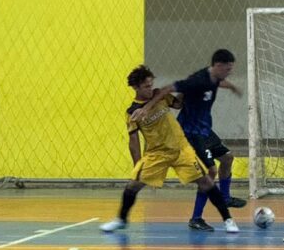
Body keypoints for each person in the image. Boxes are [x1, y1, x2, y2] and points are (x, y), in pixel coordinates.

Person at [100, 65, 239, 233]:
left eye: (151, 85)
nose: (150, 89)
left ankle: (228, 219)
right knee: (132, 186)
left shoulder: (160, 96)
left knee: (206, 181)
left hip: (181, 149)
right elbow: (134, 141)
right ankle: (121, 219)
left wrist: (188, 87)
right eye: (146, 86)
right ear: (135, 87)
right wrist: (138, 165)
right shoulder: (132, 112)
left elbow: (179, 104)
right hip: (157, 154)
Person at [132, 49, 246, 232]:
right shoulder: (196, 81)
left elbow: (218, 83)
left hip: (204, 129)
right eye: (228, 69)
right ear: (218, 66)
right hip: (190, 132)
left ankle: (224, 198)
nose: (230, 72)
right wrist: (146, 108)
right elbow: (167, 90)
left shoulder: (213, 77)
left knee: (227, 158)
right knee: (210, 172)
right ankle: (196, 218)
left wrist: (232, 87)